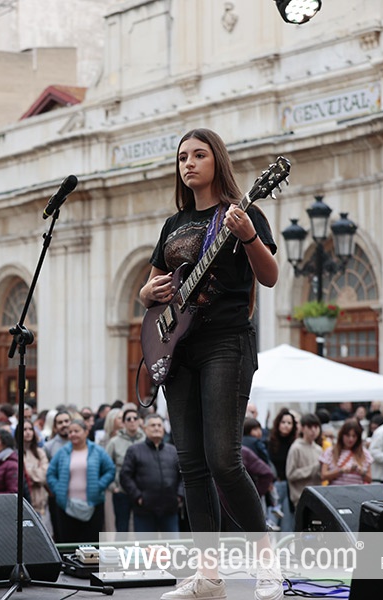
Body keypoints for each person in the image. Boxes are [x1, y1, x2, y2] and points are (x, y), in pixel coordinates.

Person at [138, 128, 281, 600]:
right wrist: (146, 292)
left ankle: (267, 564)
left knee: (223, 459)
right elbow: (151, 289)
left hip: (226, 342)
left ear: (217, 160)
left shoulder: (244, 212)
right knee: (192, 465)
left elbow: (269, 276)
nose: (189, 163)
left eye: (199, 155)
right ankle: (209, 576)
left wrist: (249, 237)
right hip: (179, 349)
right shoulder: (173, 224)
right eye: (183, 157)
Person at [46, 418, 114, 544]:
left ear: (86, 432)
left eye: (76, 431)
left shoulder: (97, 451)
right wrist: (58, 489)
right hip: (66, 506)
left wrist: (99, 486)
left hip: (93, 506)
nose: (73, 434)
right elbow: (50, 473)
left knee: (91, 545)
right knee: (68, 544)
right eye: (70, 432)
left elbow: (110, 470)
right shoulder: (63, 452)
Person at [120, 414, 183, 533]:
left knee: (172, 544)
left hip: (170, 509)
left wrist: (179, 496)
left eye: (159, 425)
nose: (156, 428)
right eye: (153, 425)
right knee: (146, 544)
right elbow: (125, 476)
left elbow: (183, 476)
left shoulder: (173, 451)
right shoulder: (134, 450)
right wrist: (138, 497)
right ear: (145, 429)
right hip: (144, 510)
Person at [104, 408, 145, 533]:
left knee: (142, 528)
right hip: (121, 491)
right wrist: (113, 486)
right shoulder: (114, 442)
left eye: (135, 418)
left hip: (142, 491)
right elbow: (106, 465)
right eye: (128, 419)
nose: (132, 421)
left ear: (139, 421)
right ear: (123, 422)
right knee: (122, 528)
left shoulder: (145, 439)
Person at [285, 413, 322, 517]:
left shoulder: (319, 449)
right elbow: (290, 474)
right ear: (302, 428)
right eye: (310, 427)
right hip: (300, 498)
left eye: (316, 427)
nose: (313, 430)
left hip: (317, 498)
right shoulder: (296, 448)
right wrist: (314, 468)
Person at [267, 409, 297, 531]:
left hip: (290, 486)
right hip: (274, 485)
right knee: (272, 520)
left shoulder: (295, 444)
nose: (286, 425)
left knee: (287, 521)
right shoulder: (270, 442)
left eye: (289, 423)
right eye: (283, 422)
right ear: (278, 423)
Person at [320, 419, 372, 486]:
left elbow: (369, 479)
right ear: (342, 435)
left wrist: (360, 471)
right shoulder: (331, 452)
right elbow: (323, 476)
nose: (351, 439)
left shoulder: (364, 454)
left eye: (354, 436)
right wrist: (340, 471)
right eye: (348, 435)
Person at [21, 418, 50, 522]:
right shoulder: (15, 453)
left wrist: (28, 471)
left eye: (30, 429)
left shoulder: (40, 452)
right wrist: (35, 470)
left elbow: (44, 475)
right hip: (24, 500)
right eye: (24, 429)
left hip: (39, 501)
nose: (28, 432)